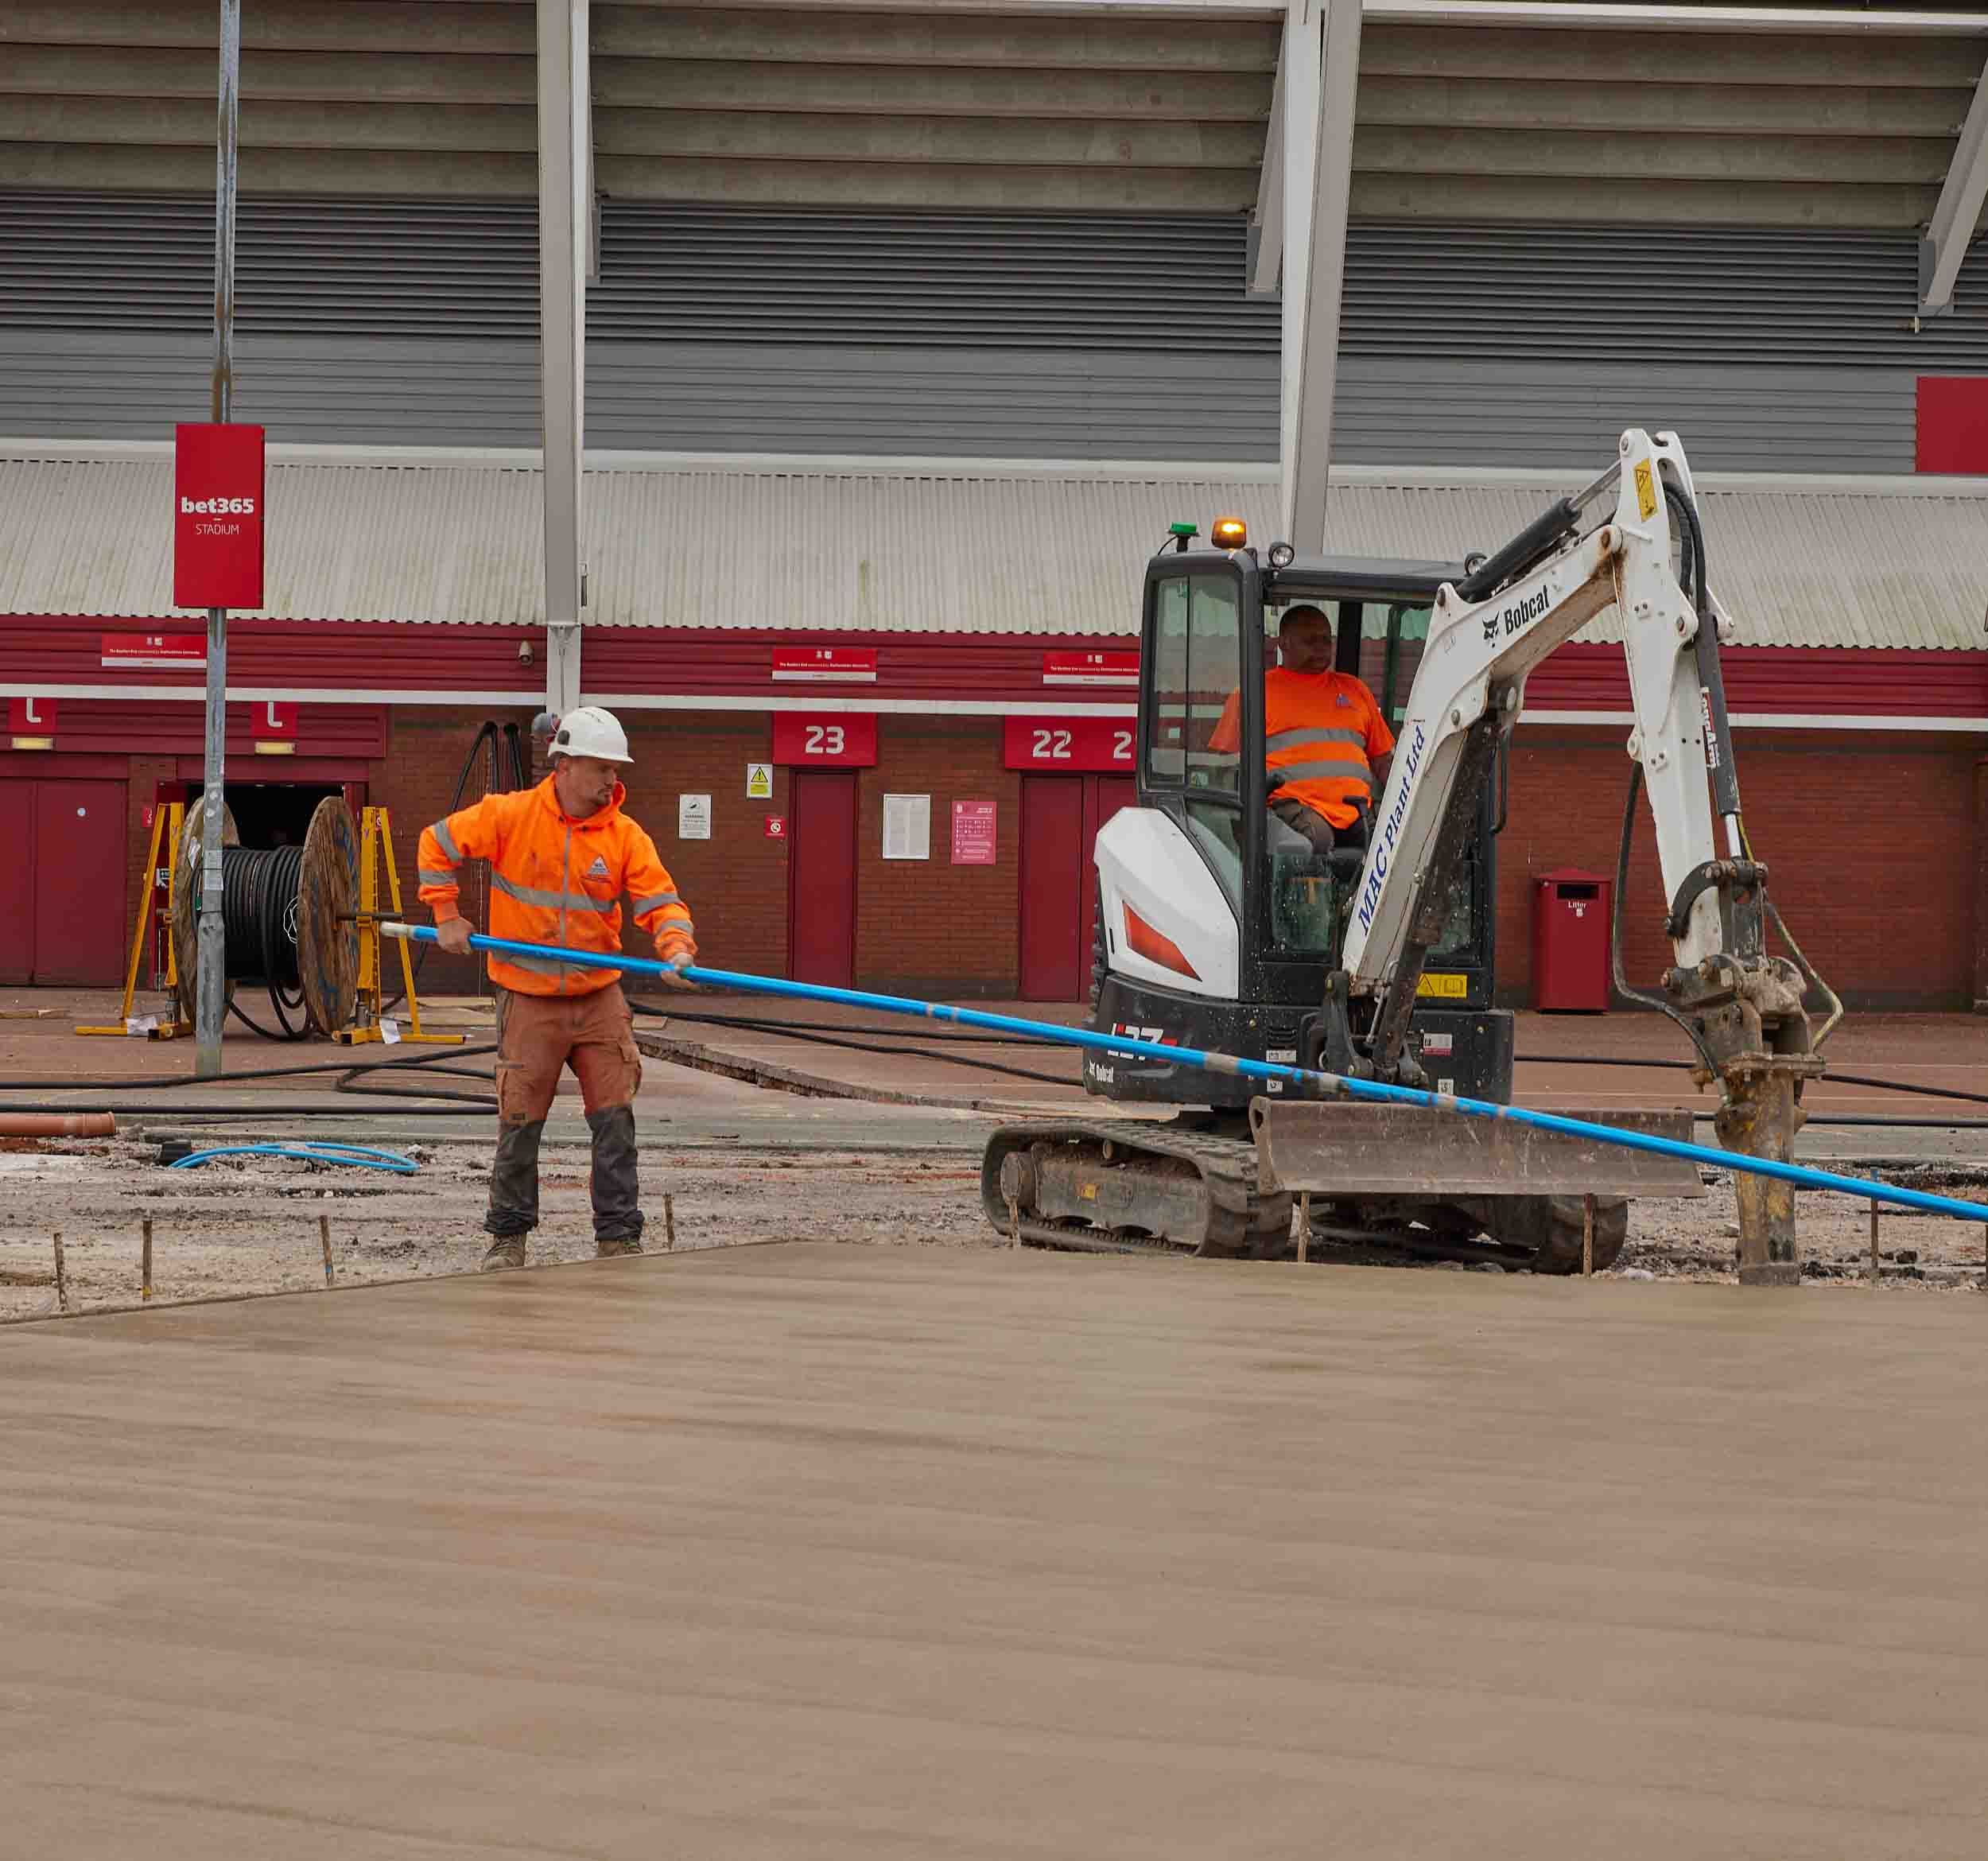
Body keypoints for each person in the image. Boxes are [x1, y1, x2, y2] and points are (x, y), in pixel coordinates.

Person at [417, 705, 697, 1270]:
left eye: (616, 771)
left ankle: (619, 1239)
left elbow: (660, 901)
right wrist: (445, 915)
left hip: (598, 998)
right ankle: (508, 1238)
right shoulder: (510, 817)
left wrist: (677, 948)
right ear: (564, 766)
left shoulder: (624, 836)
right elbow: (436, 843)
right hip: (528, 998)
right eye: (601, 769)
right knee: (520, 1122)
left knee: (615, 1120)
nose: (611, 782)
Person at [1208, 604, 1394, 853]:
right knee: (1315, 840)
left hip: (1357, 810)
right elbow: (1224, 769)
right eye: (1310, 641)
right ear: (1283, 643)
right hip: (1292, 807)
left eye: (1326, 640)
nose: (1321, 648)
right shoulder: (1254, 693)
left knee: (1391, 842)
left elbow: (1384, 762)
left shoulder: (1355, 690)